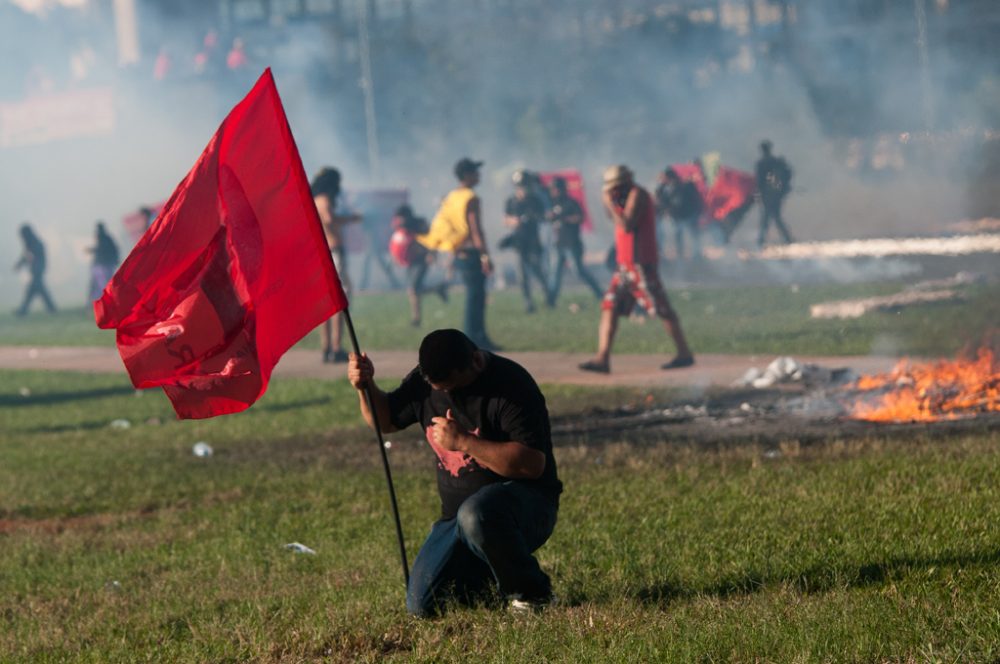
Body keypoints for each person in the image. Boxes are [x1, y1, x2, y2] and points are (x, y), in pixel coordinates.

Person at [347, 329, 561, 616]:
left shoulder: (511, 384)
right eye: (439, 388)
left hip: (526, 508)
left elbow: (532, 464)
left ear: (475, 361)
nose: (447, 394)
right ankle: (490, 581)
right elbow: (385, 421)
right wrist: (365, 386)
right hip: (455, 521)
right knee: (422, 607)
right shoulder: (426, 384)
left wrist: (464, 442)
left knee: (475, 514)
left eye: (452, 386)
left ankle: (533, 593)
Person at [579, 165, 694, 373]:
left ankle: (684, 352)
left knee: (661, 307)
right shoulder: (621, 198)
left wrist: (609, 203)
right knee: (610, 305)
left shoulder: (637, 194)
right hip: (624, 265)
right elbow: (612, 218)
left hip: (640, 262)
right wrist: (609, 203)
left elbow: (626, 224)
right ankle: (602, 357)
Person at [418, 158, 499, 351]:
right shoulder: (471, 198)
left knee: (474, 296)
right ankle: (475, 340)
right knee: (476, 297)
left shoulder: (452, 196)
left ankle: (479, 338)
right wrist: (485, 256)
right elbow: (476, 230)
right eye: (475, 172)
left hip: (458, 251)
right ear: (467, 175)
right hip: (471, 253)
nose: (479, 175)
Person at [312, 167, 361, 363]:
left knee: (327, 301)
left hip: (324, 251)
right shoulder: (324, 200)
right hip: (334, 251)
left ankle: (327, 348)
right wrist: (350, 219)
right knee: (341, 299)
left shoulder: (314, 200)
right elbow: (330, 219)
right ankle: (335, 346)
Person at [388, 204, 448, 327]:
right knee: (414, 290)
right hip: (410, 261)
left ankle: (416, 319)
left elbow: (432, 238)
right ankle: (437, 289)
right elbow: (398, 242)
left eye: (401, 217)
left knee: (413, 288)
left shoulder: (419, 224)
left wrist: (431, 253)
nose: (399, 220)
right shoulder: (400, 226)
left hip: (421, 259)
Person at [501, 170, 553, 313]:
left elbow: (544, 217)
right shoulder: (511, 201)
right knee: (522, 273)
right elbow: (506, 219)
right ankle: (528, 301)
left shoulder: (535, 200)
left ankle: (547, 292)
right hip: (519, 241)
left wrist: (534, 217)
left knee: (536, 269)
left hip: (534, 240)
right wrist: (515, 221)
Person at [547, 176, 603, 302]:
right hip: (557, 244)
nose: (553, 191)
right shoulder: (552, 204)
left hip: (571, 243)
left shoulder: (571, 203)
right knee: (554, 274)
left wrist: (565, 219)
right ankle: (550, 301)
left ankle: (599, 293)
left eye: (555, 189)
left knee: (579, 272)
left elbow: (580, 218)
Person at [655, 168, 704, 261]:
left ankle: (697, 255)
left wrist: (668, 208)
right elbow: (661, 199)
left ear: (669, 177)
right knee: (678, 235)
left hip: (687, 215)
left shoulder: (682, 186)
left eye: (664, 178)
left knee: (692, 234)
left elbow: (679, 202)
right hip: (677, 216)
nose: (662, 179)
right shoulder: (664, 187)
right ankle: (680, 255)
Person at [754, 140, 794, 247]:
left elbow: (759, 181)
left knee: (768, 217)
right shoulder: (777, 161)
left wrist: (758, 194)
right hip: (777, 194)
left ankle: (762, 240)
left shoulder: (762, 163)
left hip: (768, 195)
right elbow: (788, 174)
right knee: (775, 216)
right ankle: (787, 239)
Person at [13, 223, 56, 316]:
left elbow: (33, 256)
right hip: (36, 270)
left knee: (33, 291)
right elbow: (26, 256)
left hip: (38, 271)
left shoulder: (36, 243)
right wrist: (19, 265)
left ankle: (23, 311)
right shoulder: (31, 243)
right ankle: (51, 309)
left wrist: (21, 264)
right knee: (38, 291)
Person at [87, 221, 119, 301]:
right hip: (104, 264)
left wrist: (92, 250)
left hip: (102, 265)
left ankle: (106, 299)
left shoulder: (103, 239)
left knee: (102, 284)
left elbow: (102, 249)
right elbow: (115, 250)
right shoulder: (108, 238)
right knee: (101, 284)